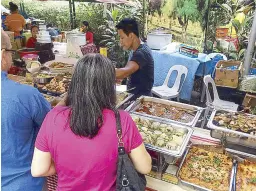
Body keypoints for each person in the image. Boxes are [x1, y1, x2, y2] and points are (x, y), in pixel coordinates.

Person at [31, 54, 152, 191]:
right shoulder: (122, 120)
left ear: (75, 83)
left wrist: (63, 167)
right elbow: (145, 167)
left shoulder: (53, 118)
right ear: (109, 86)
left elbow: (38, 170)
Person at [1, 28, 51, 191]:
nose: (11, 56)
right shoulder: (25, 95)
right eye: (10, 51)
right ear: (2, 54)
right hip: (24, 183)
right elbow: (52, 126)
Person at [115, 18, 154, 99]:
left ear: (131, 36)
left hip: (140, 100)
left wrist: (101, 72)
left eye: (122, 38)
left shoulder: (141, 53)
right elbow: (128, 72)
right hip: (135, 96)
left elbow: (125, 72)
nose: (120, 42)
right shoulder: (140, 48)